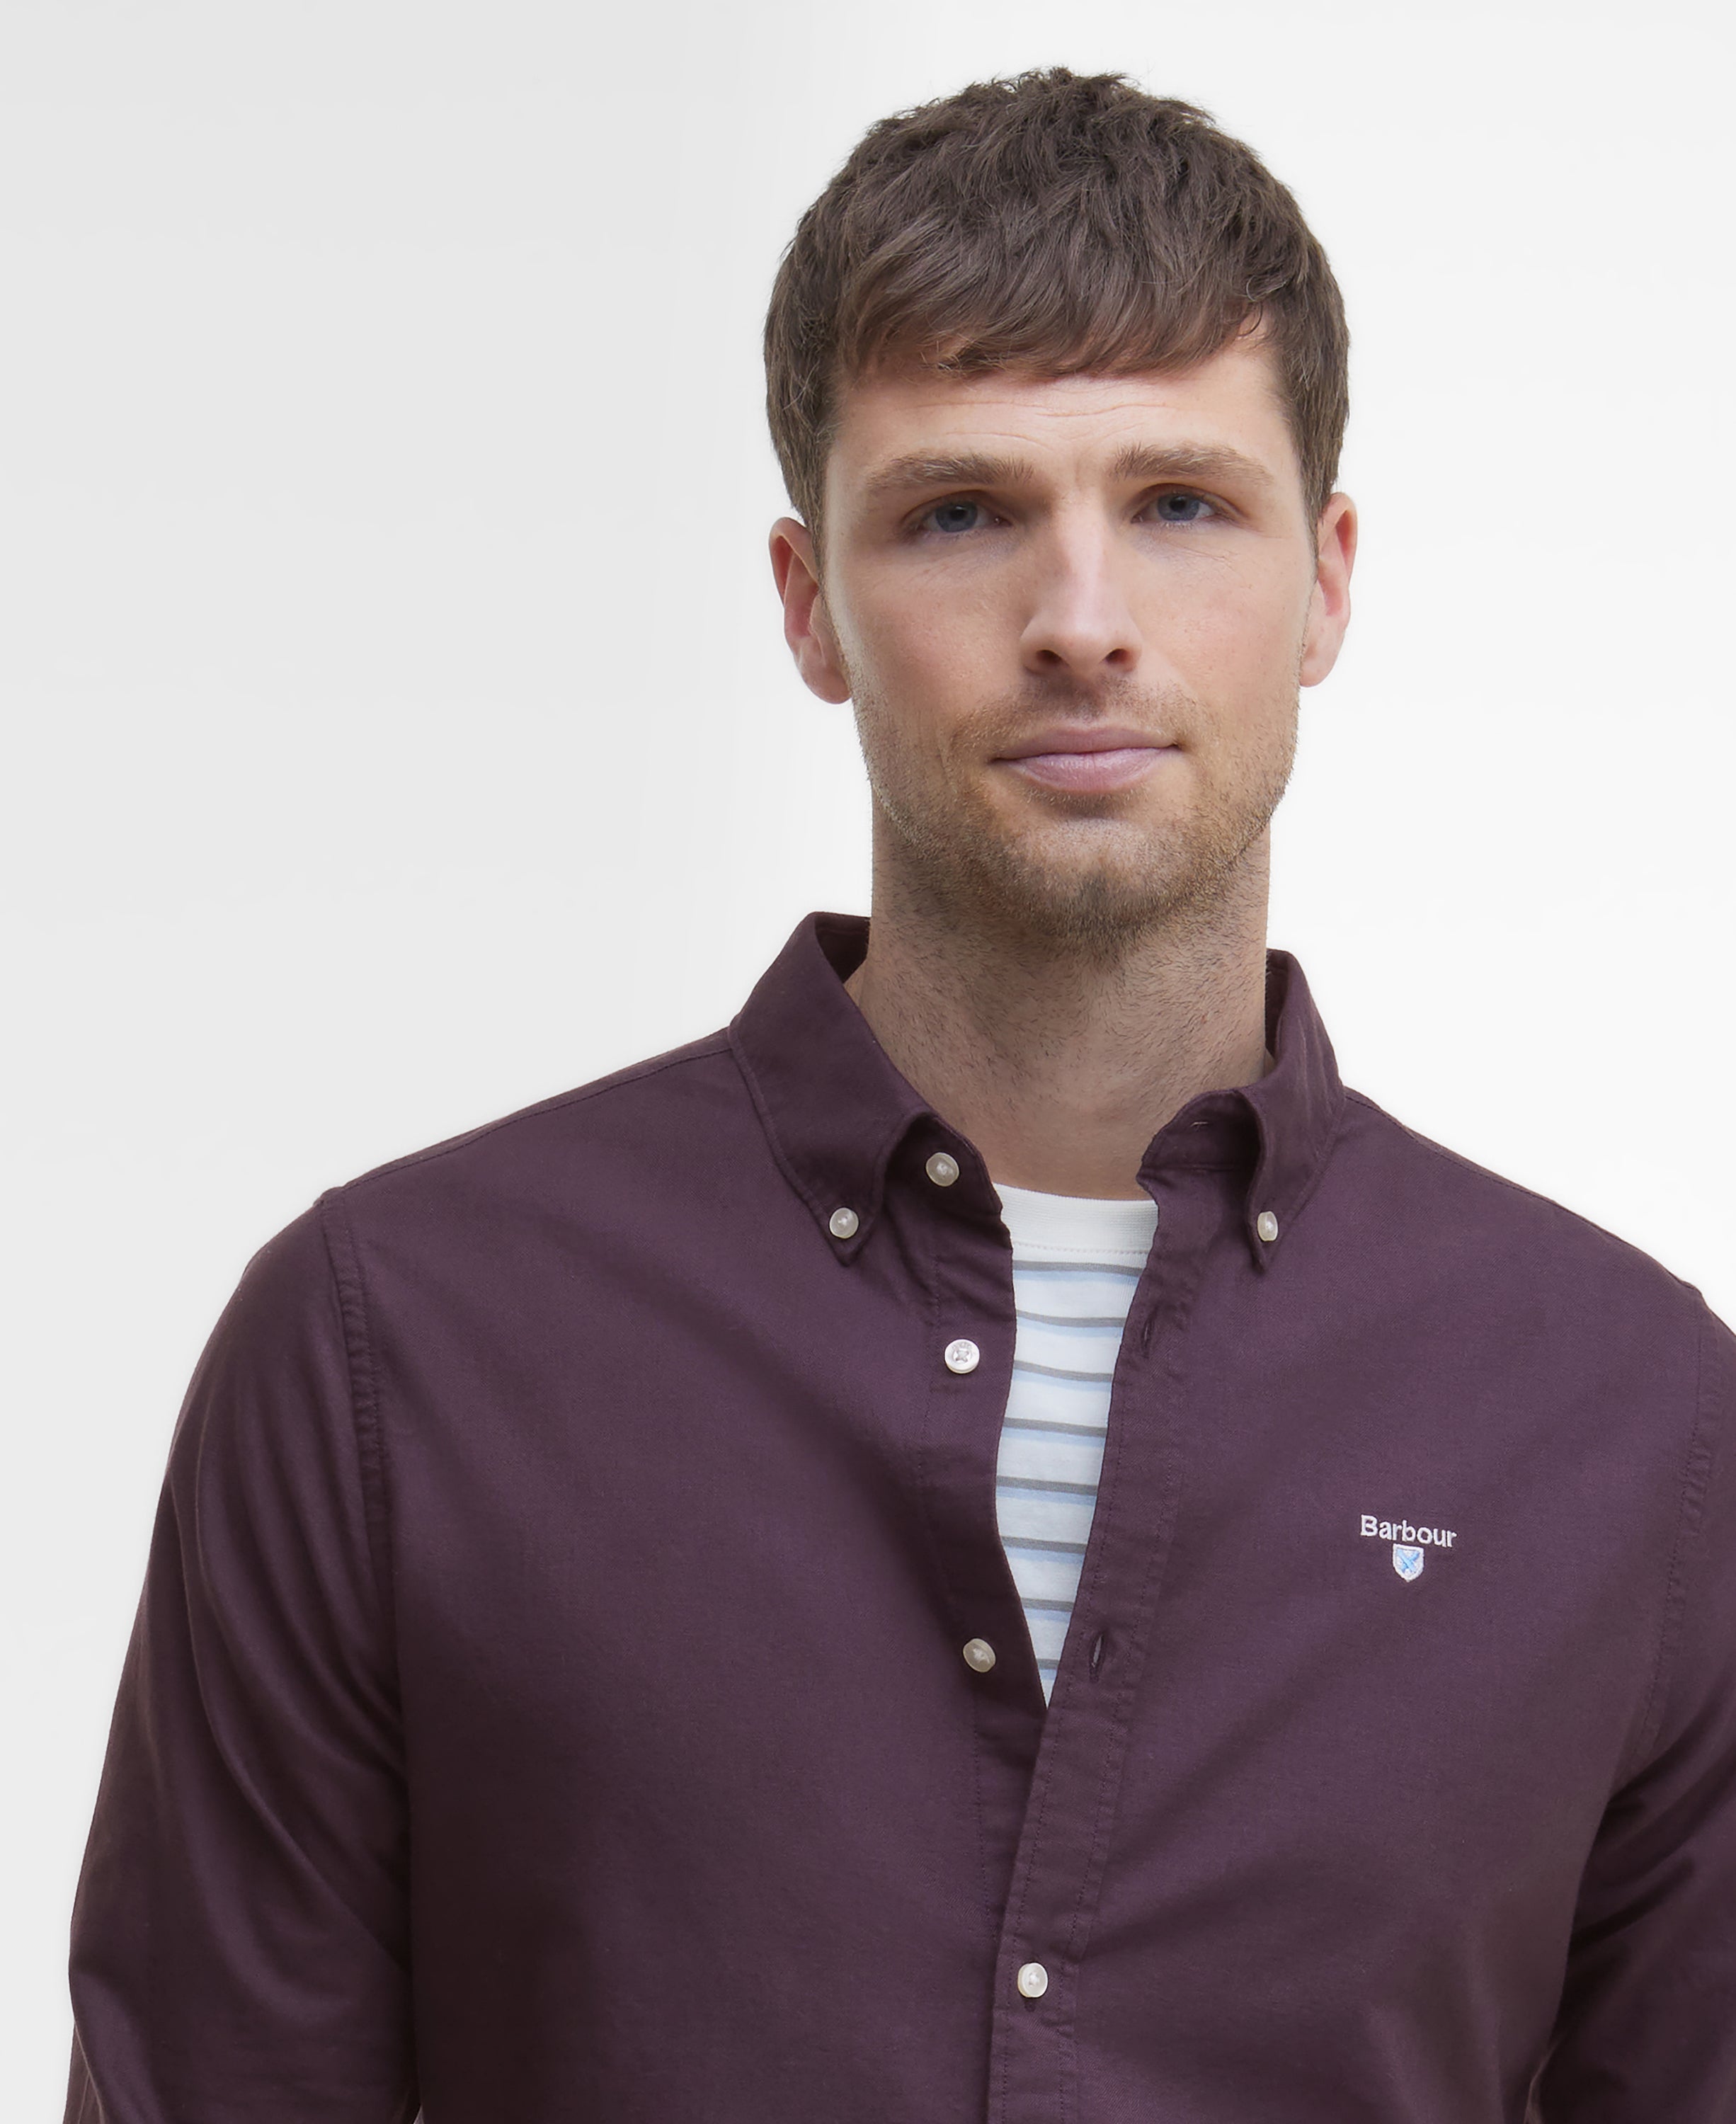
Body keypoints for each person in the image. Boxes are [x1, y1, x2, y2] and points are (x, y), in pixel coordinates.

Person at [63, 67, 1734, 2123]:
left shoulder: (1634, 1423)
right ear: (808, 604)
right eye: (961, 514)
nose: (1082, 624)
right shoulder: (388, 1354)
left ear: (1326, 581)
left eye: (1180, 504)